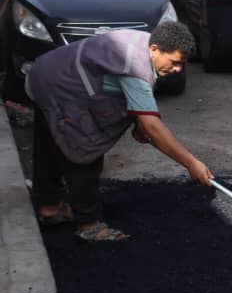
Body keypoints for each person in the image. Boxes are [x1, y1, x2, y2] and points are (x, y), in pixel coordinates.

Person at [28, 22, 213, 242]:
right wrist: (191, 163)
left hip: (43, 74)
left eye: (182, 64)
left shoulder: (144, 43)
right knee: (84, 150)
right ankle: (88, 224)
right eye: (174, 62)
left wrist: (138, 123)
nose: (178, 70)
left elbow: (132, 100)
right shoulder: (135, 67)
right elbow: (153, 127)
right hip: (61, 87)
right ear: (155, 49)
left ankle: (49, 208)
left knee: (50, 143)